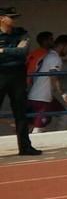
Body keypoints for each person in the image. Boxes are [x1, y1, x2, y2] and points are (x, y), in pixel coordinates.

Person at [0, 8, 40, 155]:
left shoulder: (21, 32)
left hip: (18, 75)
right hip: (1, 75)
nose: (14, 20)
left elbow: (23, 52)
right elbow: (18, 52)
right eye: (11, 17)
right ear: (2, 18)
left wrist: (3, 51)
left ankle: (25, 147)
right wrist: (14, 52)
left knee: (21, 113)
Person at [27, 35, 67, 134]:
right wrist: (64, 95)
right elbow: (54, 77)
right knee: (38, 127)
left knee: (63, 115)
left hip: (42, 96)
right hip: (41, 98)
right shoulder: (54, 58)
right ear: (61, 45)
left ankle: (59, 139)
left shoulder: (47, 55)